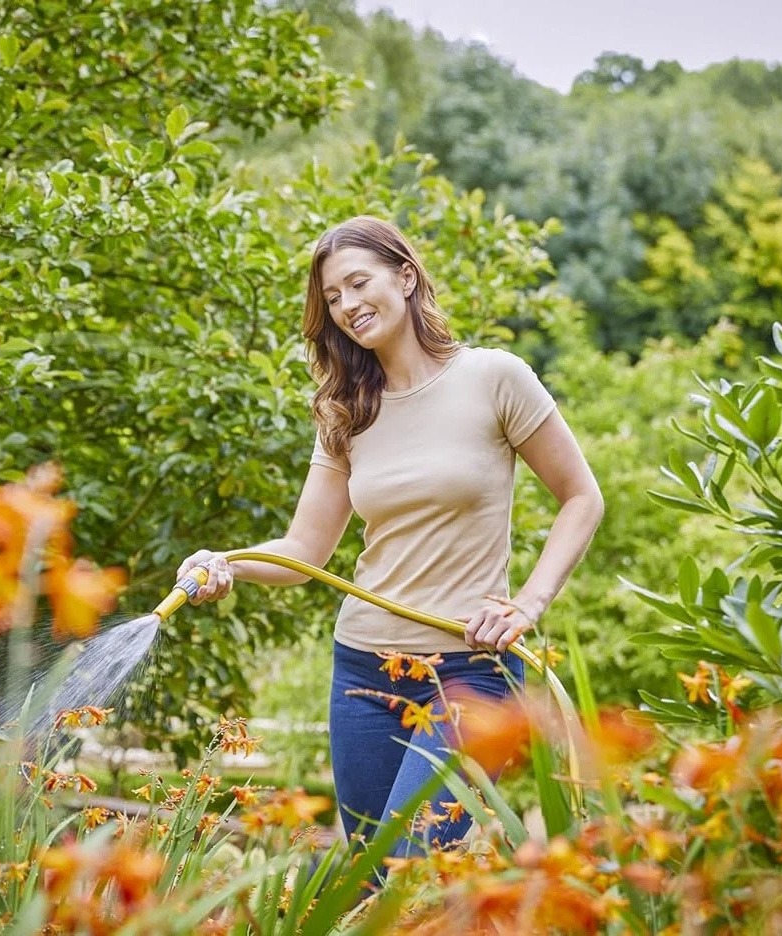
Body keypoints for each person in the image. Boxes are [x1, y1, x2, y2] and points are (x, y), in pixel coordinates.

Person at [176, 215, 603, 856]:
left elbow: (582, 497)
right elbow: (302, 554)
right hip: (361, 673)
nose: (347, 306)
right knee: (372, 882)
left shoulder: (494, 378)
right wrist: (228, 562)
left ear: (405, 276)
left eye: (356, 283)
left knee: (413, 862)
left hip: (470, 674)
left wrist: (528, 605)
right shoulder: (346, 411)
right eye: (332, 298)